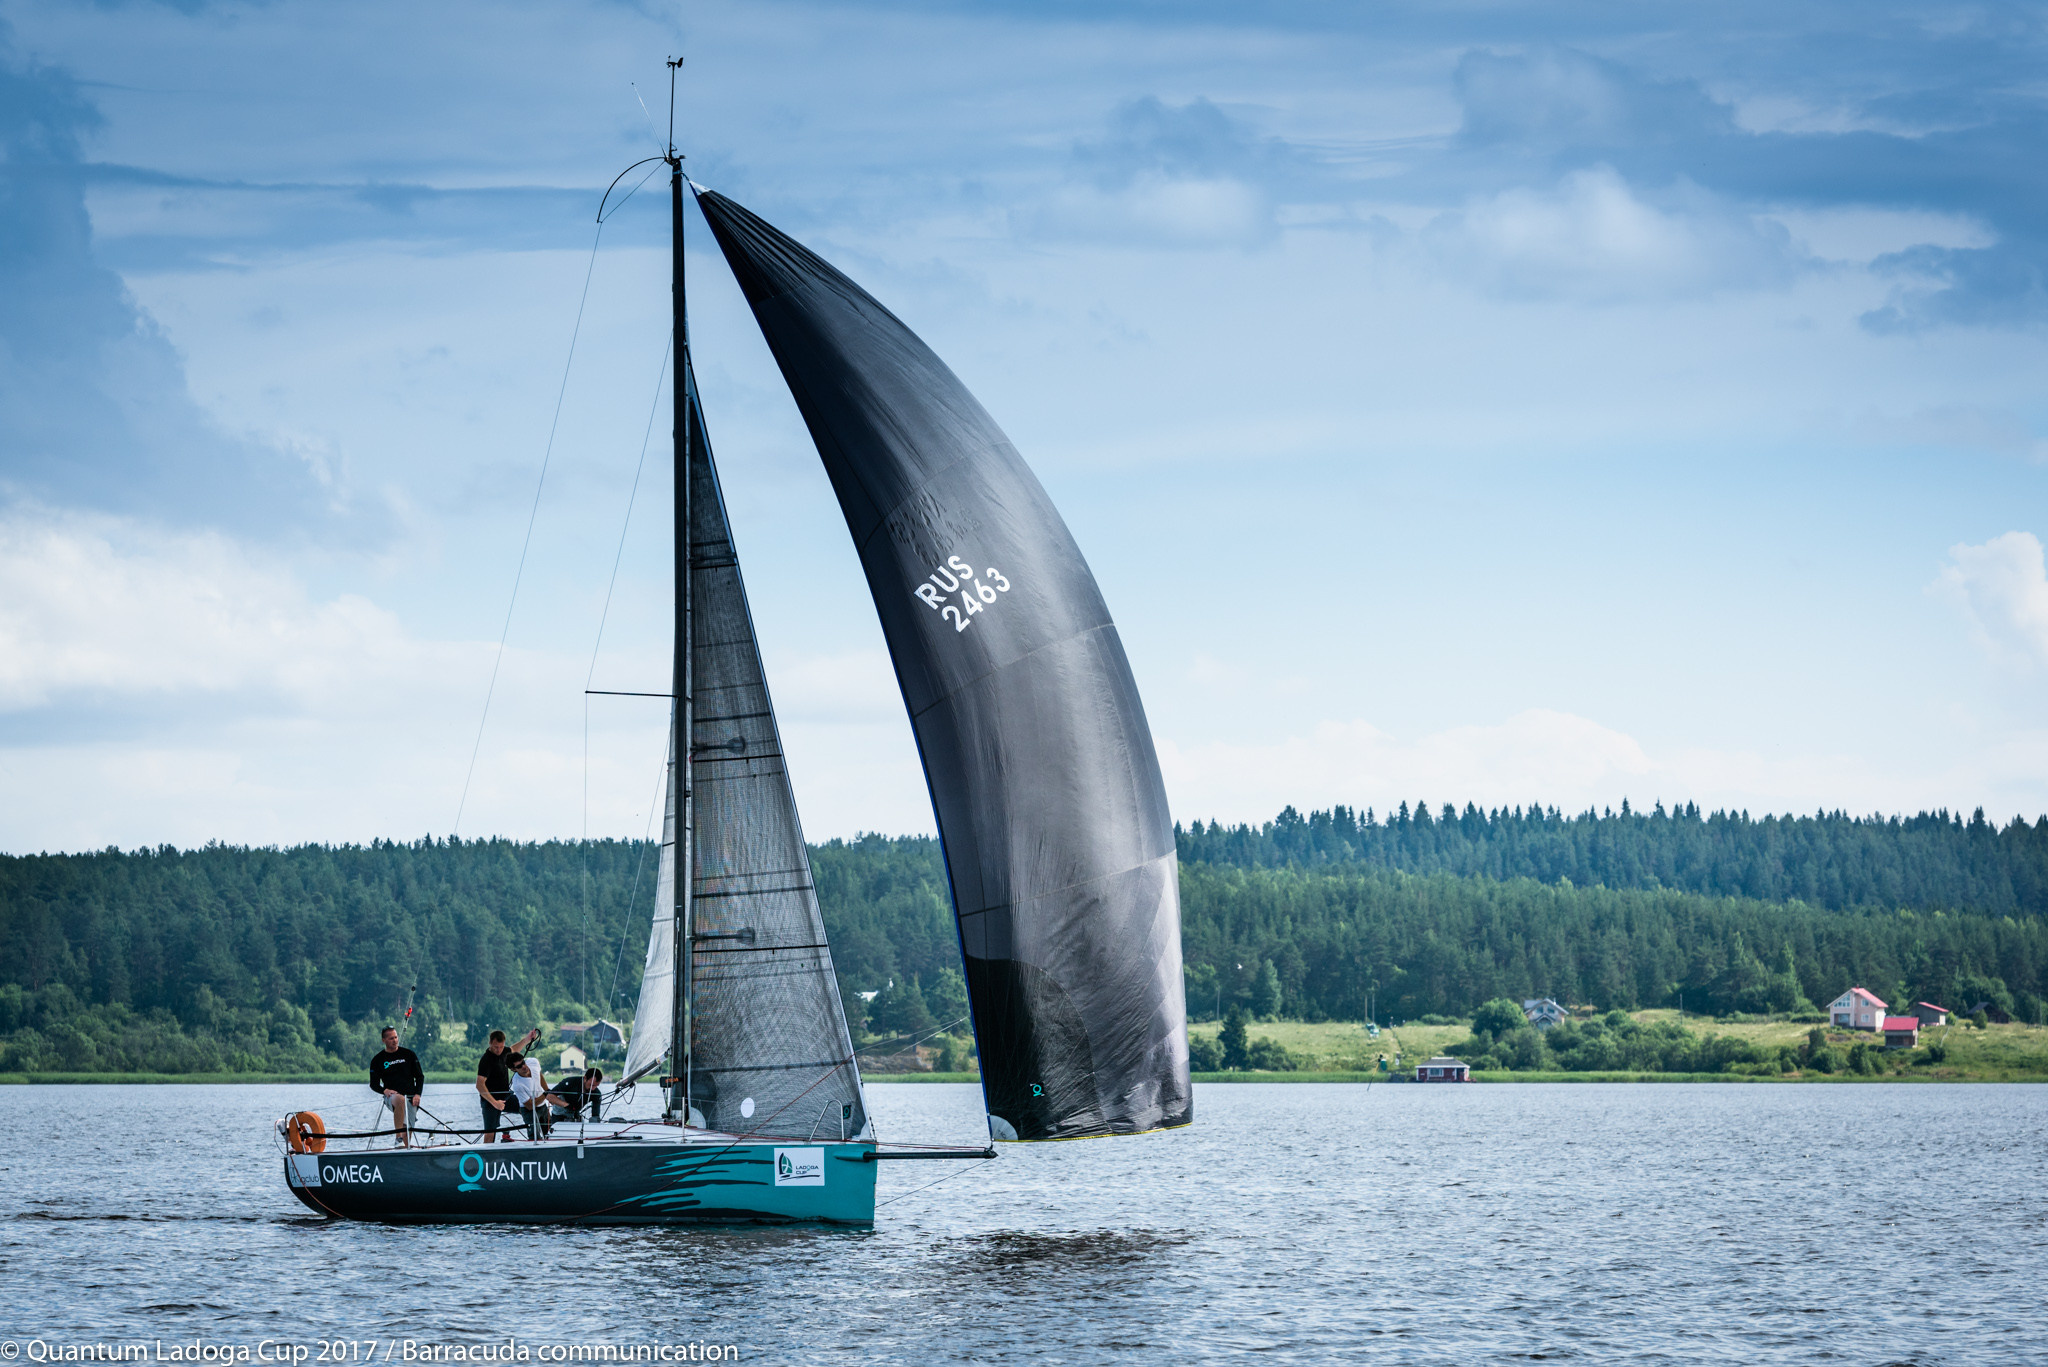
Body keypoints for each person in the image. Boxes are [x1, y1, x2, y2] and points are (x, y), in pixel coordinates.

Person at [474, 1027, 538, 1144]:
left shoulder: (505, 1052)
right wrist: (495, 1103)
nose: (499, 1050)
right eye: (496, 1047)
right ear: (490, 1043)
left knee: (528, 1106)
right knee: (490, 1131)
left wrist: (528, 1039)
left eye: (501, 1046)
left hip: (506, 1096)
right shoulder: (486, 1060)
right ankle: (486, 1153)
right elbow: (479, 1085)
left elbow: (514, 1048)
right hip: (490, 1100)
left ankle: (535, 1138)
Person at [369, 1026, 424, 1147]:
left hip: (411, 1097)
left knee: (407, 1135)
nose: (394, 1041)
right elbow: (373, 1084)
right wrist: (384, 1090)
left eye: (395, 1037)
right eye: (391, 1038)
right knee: (400, 1100)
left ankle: (404, 1149)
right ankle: (398, 1138)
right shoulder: (377, 1060)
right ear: (383, 1040)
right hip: (392, 1097)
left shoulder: (409, 1054)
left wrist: (418, 1094)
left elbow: (420, 1077)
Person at [511, 1052, 562, 1140]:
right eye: (519, 1066)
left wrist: (547, 1091)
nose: (524, 1066)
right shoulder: (517, 1084)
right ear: (513, 1069)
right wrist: (546, 1094)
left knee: (551, 1133)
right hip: (529, 1111)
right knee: (534, 1137)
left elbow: (539, 1074)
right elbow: (530, 1106)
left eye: (523, 1062)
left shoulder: (533, 1062)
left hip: (543, 1106)